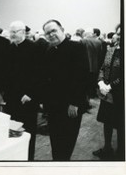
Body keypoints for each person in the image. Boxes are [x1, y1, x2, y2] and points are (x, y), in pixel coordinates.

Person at [41, 19, 89, 161]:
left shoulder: (76, 47)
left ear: (62, 29)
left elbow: (82, 77)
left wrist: (75, 103)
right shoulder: (49, 50)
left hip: (70, 106)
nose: (50, 35)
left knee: (66, 142)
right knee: (55, 140)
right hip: (53, 105)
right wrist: (45, 101)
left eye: (53, 31)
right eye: (47, 33)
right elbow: (47, 78)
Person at [4, 21, 40, 161]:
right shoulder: (10, 47)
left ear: (23, 32)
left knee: (27, 131)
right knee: (12, 129)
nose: (12, 34)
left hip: (28, 98)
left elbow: (39, 74)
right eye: (11, 31)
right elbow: (7, 73)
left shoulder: (34, 48)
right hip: (12, 96)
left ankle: (28, 159)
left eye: (15, 32)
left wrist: (31, 93)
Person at [93, 24, 124, 160]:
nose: (119, 36)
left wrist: (111, 86)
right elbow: (102, 67)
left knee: (121, 123)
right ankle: (107, 148)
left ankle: (122, 152)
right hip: (107, 93)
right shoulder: (110, 49)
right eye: (118, 33)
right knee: (107, 121)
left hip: (120, 94)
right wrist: (100, 82)